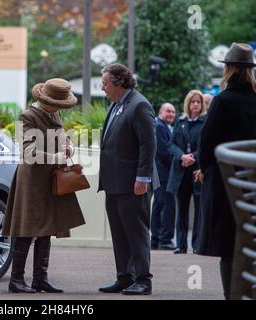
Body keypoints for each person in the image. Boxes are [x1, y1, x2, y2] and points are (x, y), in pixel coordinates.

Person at [195, 43, 256, 299]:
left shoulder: (222, 100)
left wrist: (203, 168)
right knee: (248, 241)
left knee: (227, 246)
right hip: (253, 179)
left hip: (224, 179)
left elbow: (207, 141)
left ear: (230, 68)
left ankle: (232, 295)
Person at [3, 78, 86, 293]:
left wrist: (68, 147)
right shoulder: (27, 117)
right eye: (58, 104)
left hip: (51, 179)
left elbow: (61, 138)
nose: (60, 108)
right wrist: (57, 155)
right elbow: (28, 152)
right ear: (45, 100)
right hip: (31, 181)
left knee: (47, 230)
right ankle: (16, 280)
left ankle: (40, 279)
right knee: (25, 231)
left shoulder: (54, 113)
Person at [98, 63, 158, 295]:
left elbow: (148, 145)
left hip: (135, 184)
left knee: (137, 233)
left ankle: (144, 280)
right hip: (114, 183)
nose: (103, 87)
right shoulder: (117, 105)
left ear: (119, 82)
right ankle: (125, 277)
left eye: (105, 83)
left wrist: (142, 178)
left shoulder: (140, 105)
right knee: (119, 233)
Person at [167, 90, 206, 254]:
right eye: (193, 102)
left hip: (197, 170)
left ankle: (197, 244)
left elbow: (206, 145)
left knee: (199, 209)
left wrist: (193, 157)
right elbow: (171, 144)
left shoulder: (205, 122)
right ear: (188, 104)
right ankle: (180, 245)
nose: (196, 105)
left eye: (198, 102)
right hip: (181, 170)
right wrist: (181, 156)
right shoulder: (180, 122)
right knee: (181, 208)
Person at [151, 103, 176, 250]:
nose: (171, 114)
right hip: (163, 173)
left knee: (159, 205)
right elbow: (164, 151)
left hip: (160, 172)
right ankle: (164, 239)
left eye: (173, 112)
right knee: (166, 206)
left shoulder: (163, 126)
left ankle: (156, 239)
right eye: (168, 111)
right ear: (160, 112)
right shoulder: (159, 126)